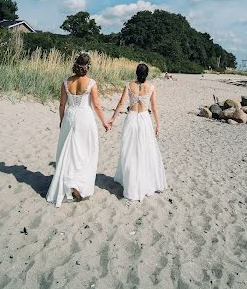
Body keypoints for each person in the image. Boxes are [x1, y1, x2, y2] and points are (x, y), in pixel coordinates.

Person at [46, 52, 111, 207]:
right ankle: (78, 184)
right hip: (85, 119)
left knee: (67, 152)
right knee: (84, 152)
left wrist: (62, 121)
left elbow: (62, 105)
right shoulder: (91, 83)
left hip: (70, 117)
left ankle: (69, 183)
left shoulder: (66, 82)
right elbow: (96, 106)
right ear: (88, 66)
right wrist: (104, 122)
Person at [109, 63, 166, 201]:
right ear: (147, 74)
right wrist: (158, 125)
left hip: (132, 119)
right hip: (145, 120)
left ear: (136, 72)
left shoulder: (129, 85)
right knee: (144, 151)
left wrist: (112, 118)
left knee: (130, 150)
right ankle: (142, 181)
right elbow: (154, 107)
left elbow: (121, 102)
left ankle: (131, 182)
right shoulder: (151, 87)